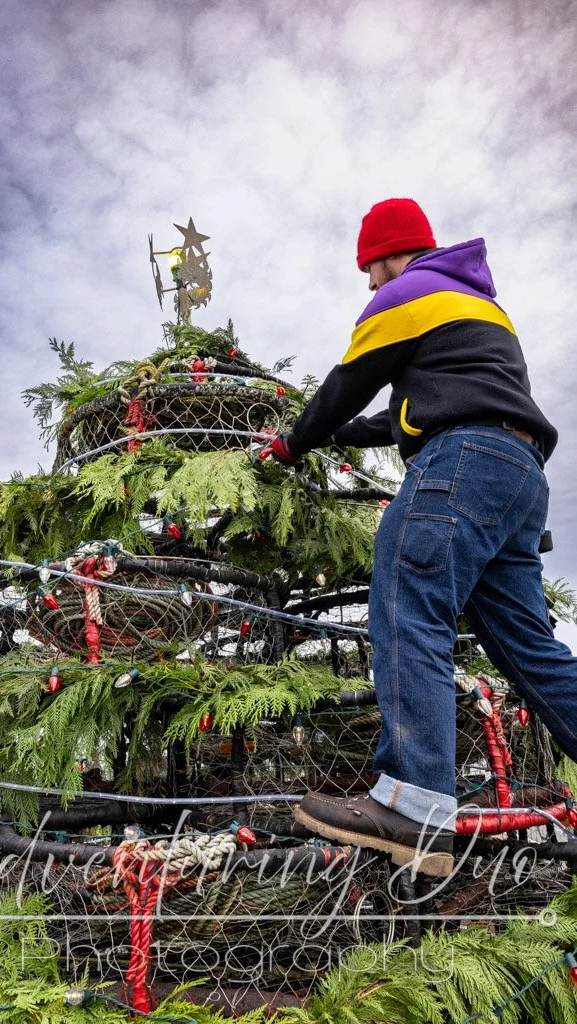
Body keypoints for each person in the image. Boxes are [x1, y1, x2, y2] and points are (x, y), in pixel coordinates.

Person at [269, 198, 577, 877]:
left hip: (461, 464)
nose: (369, 285)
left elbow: (349, 381)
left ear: (385, 253)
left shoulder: (408, 291)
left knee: (410, 605)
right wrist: (346, 435)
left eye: (368, 268)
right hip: (516, 475)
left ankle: (414, 806)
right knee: (528, 646)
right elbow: (418, 404)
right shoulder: (473, 306)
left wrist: (292, 444)